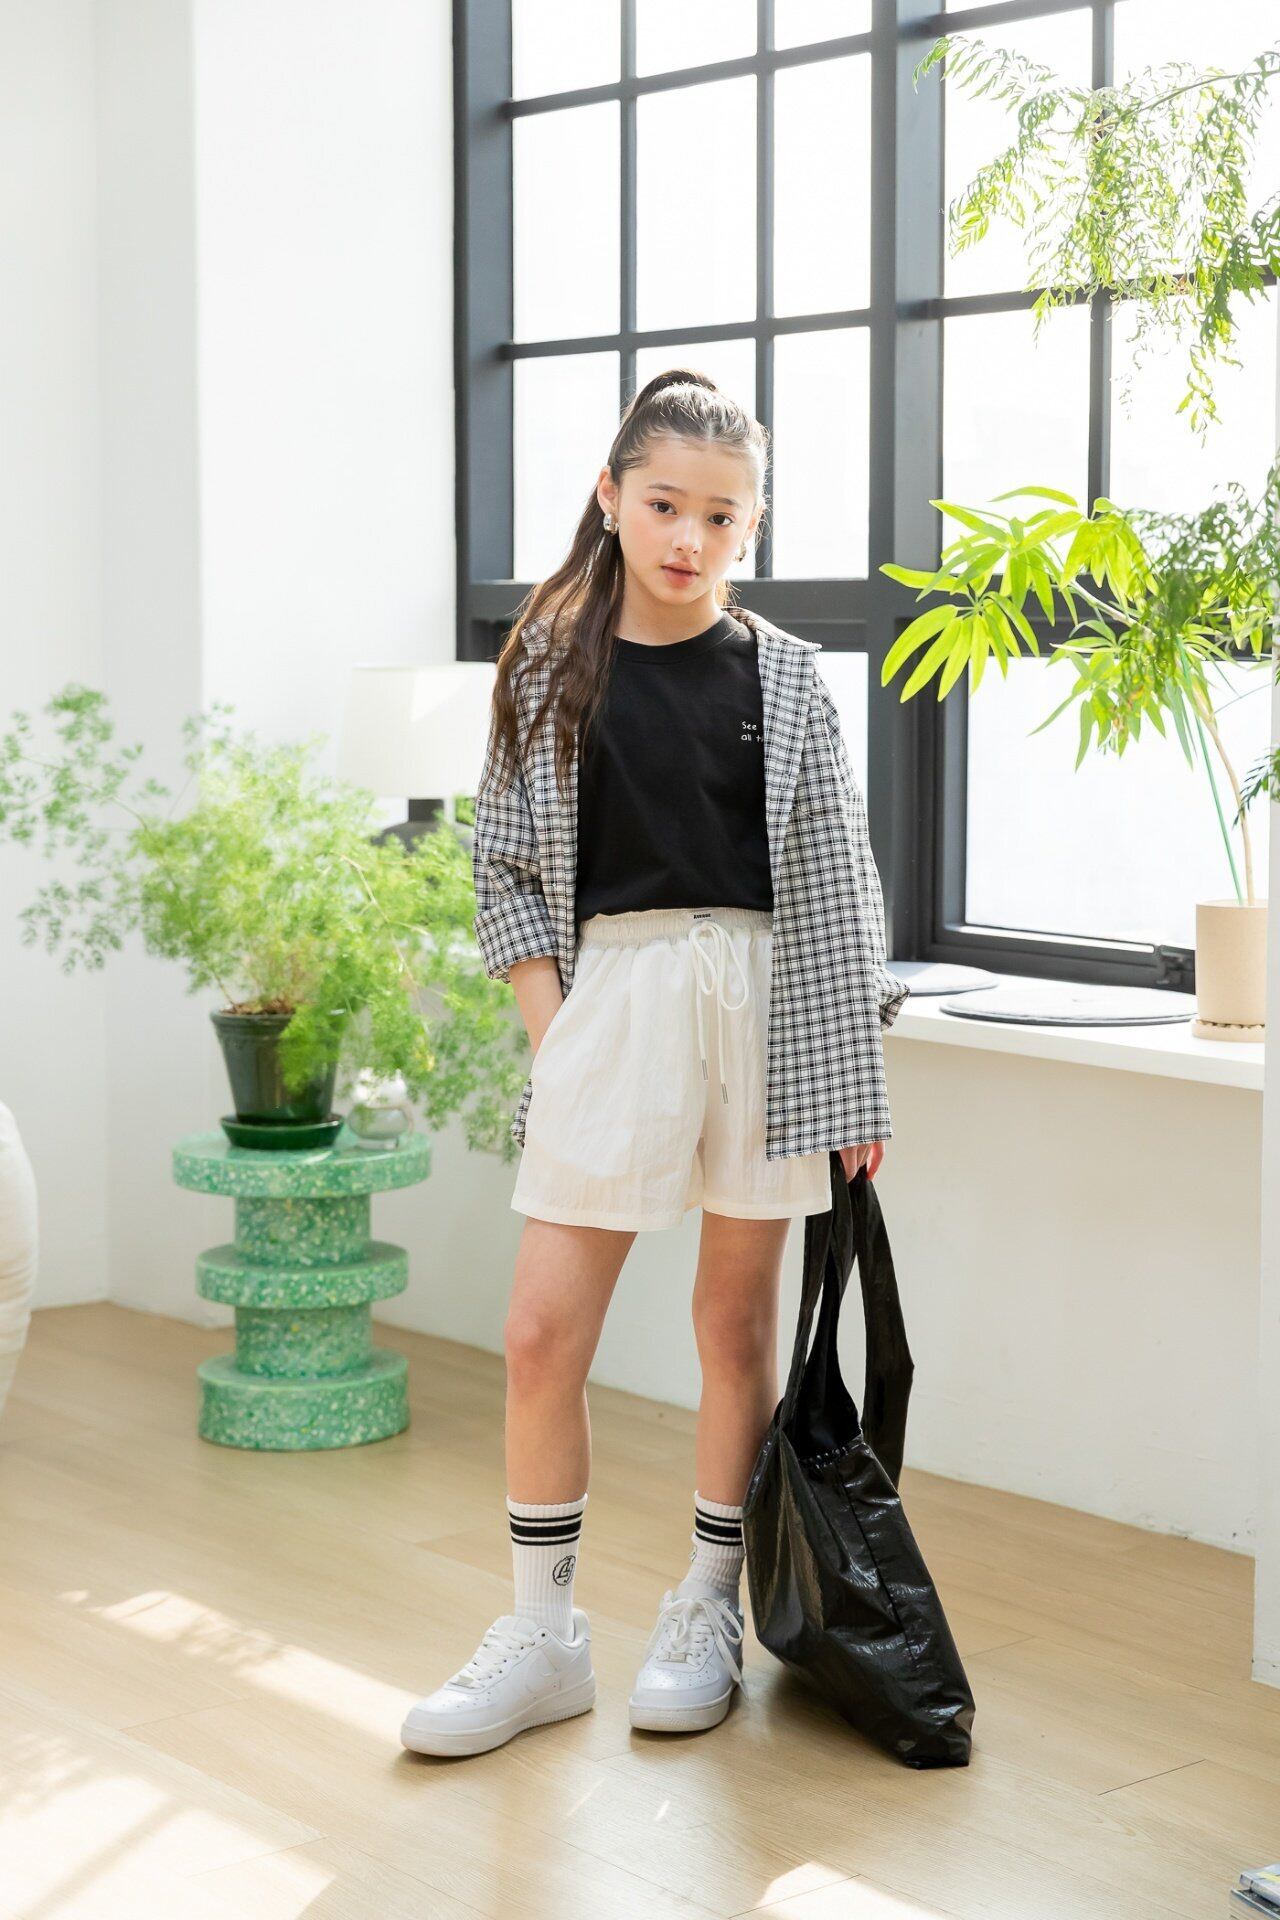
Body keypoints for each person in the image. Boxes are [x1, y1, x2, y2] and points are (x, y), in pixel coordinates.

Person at [401, 370, 909, 1758]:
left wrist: (851, 1082)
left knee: (732, 1332)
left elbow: (838, 883)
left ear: (753, 526)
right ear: (611, 496)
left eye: (722, 516)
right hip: (609, 1002)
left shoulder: (786, 676)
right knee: (538, 1335)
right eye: (666, 504)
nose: (691, 537)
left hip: (766, 1008)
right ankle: (544, 1636)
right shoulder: (550, 665)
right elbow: (506, 869)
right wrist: (557, 1036)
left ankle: (705, 1608)